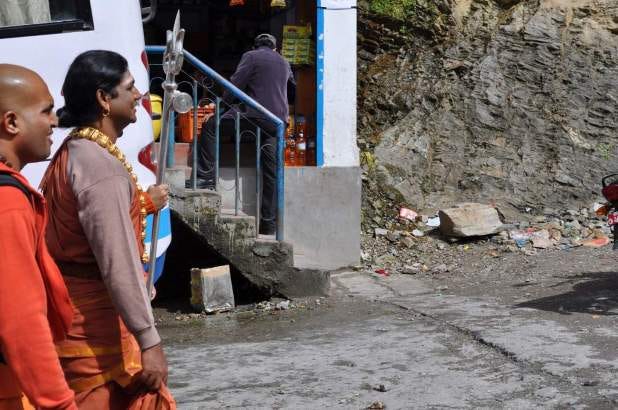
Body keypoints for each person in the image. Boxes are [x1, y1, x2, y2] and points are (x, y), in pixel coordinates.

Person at [40, 50, 175, 408]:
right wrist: (150, 340)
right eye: (130, 88)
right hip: (95, 333)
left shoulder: (77, 152)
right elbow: (117, 263)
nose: (139, 96)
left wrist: (143, 203)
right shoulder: (99, 166)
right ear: (104, 98)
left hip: (77, 319)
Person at [0, 64, 77, 409]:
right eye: (46, 110)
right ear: (12, 122)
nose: (55, 121)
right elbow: (20, 319)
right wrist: (59, 403)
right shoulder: (8, 201)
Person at [192, 33, 296, 235]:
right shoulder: (284, 62)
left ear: (255, 46)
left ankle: (205, 178)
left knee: (211, 127)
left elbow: (234, 86)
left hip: (253, 115)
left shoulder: (251, 56)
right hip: (276, 123)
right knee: (271, 172)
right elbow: (292, 91)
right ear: (275, 48)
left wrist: (220, 108)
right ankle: (268, 224)